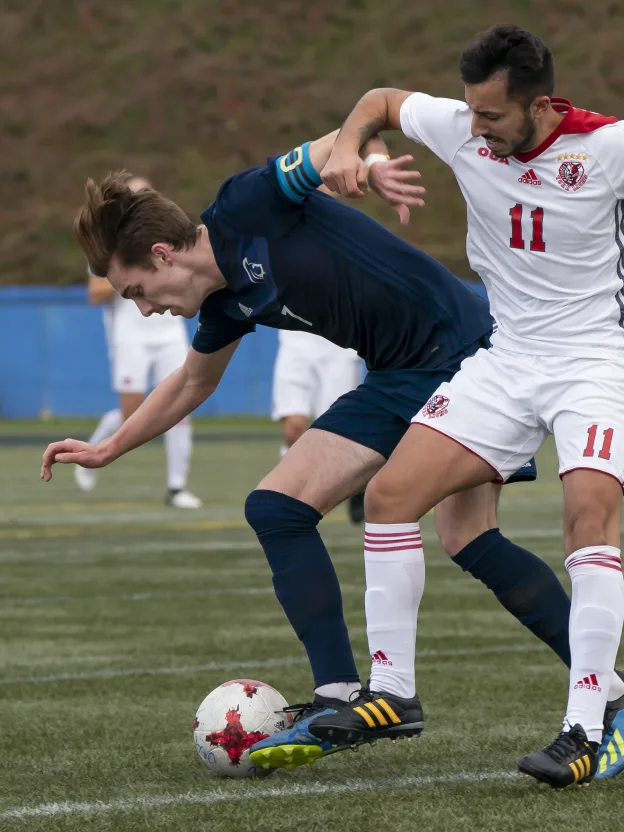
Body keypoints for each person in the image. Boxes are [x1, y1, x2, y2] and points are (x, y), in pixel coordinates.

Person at [40, 128, 577, 777]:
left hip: (466, 353)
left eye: (137, 292)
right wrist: (107, 449)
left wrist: (369, 163)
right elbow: (190, 382)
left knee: (466, 535)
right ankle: (340, 695)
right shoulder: (224, 303)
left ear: (161, 254)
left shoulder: (243, 207)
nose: (146, 309)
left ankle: (595, 691)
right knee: (280, 508)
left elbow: (335, 144)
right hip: (400, 374)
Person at [311, 22, 624, 787]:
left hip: (595, 362)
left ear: (540, 105)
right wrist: (351, 147)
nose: (474, 127)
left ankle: (587, 726)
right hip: (506, 358)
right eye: (470, 110)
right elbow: (381, 100)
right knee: (389, 497)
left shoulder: (607, 146)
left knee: (588, 520)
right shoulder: (461, 126)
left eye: (491, 115)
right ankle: (393, 693)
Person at [79, 176, 202, 509]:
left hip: (169, 331)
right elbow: (95, 293)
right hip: (131, 334)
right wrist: (127, 277)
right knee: (131, 413)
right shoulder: (105, 245)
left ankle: (177, 487)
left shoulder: (166, 232)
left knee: (181, 406)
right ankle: (92, 450)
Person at [272, 329, 365, 523]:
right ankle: (290, 497)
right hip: (295, 338)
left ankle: (361, 484)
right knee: (293, 429)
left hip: (339, 341)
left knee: (340, 433)